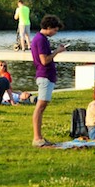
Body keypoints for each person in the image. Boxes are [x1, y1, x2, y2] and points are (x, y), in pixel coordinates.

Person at [30, 14, 65, 147]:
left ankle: (39, 137)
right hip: (44, 75)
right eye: (55, 30)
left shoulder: (42, 39)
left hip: (46, 76)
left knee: (42, 107)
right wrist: (57, 51)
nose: (55, 33)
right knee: (40, 107)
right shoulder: (41, 40)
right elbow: (44, 60)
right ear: (48, 27)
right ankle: (37, 138)